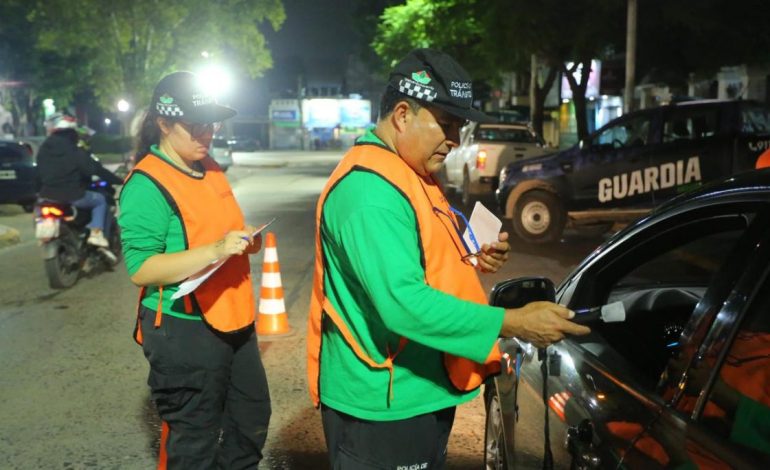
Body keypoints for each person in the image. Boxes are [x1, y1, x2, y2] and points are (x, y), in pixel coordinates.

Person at [307, 48, 591, 469]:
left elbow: (423, 246)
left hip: (417, 386)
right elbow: (402, 304)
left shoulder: (408, 171)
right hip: (384, 402)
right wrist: (514, 322)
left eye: (459, 125)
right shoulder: (370, 195)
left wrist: (471, 254)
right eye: (446, 124)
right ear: (403, 115)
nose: (455, 139)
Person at [118, 71, 271, 469]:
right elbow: (143, 268)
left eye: (212, 124)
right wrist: (216, 249)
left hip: (234, 319)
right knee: (195, 441)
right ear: (164, 123)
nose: (207, 134)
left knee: (250, 422)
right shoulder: (146, 184)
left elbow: (216, 227)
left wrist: (243, 239)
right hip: (183, 327)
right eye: (195, 125)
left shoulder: (210, 166)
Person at [36, 112, 123, 247]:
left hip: (47, 196)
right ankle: (96, 233)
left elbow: (38, 174)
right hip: (73, 196)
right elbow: (92, 169)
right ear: (72, 132)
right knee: (100, 200)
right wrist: (119, 180)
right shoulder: (74, 150)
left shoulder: (42, 150)